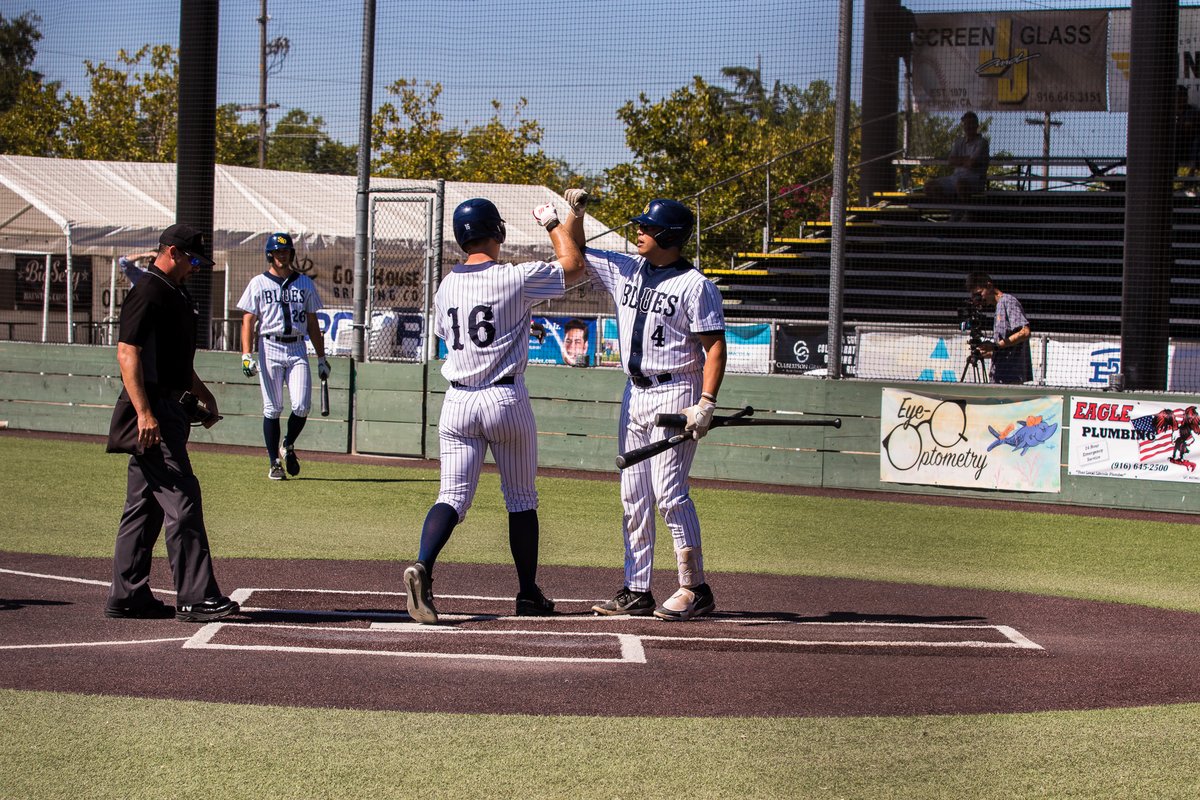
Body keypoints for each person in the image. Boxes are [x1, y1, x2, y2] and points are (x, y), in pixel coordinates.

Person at [402, 197, 585, 624]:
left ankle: (424, 565)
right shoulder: (513, 277)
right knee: (521, 501)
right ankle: (526, 593)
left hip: (458, 399)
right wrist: (554, 222)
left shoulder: (445, 285)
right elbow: (573, 265)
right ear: (496, 231)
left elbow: (447, 334)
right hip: (504, 399)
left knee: (451, 497)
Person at [564, 190, 727, 622]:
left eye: (647, 227)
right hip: (634, 392)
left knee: (670, 494)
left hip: (677, 390)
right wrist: (574, 215)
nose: (638, 231)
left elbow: (714, 348)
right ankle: (637, 590)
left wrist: (706, 403)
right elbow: (575, 250)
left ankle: (695, 588)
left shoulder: (696, 286)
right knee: (633, 496)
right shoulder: (627, 269)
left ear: (669, 235)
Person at [103, 223, 239, 622]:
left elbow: (176, 360)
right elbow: (128, 352)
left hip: (170, 408)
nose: (198, 267)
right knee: (182, 498)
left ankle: (128, 595)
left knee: (144, 505)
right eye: (194, 259)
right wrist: (145, 413)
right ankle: (196, 597)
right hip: (153, 411)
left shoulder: (174, 291)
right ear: (173, 252)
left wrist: (203, 393)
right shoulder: (148, 289)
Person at [237, 232, 330, 480]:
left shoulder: (305, 283)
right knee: (273, 407)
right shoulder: (258, 282)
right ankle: (273, 462)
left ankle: (287, 444)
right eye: (278, 252)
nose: (282, 255)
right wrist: (246, 355)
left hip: (298, 347)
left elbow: (312, 322)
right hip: (269, 345)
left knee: (301, 405)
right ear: (270, 254)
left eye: (286, 251)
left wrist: (321, 357)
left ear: (291, 253)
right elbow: (248, 320)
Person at [967, 271, 1032, 385]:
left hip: (1011, 377)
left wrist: (996, 346)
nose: (979, 298)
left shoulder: (1008, 301)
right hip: (1000, 377)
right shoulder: (997, 308)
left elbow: (1025, 332)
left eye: (979, 293)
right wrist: (988, 351)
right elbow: (1007, 348)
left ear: (989, 286)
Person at [924, 111, 990, 203]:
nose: (968, 126)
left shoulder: (982, 143)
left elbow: (972, 163)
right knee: (929, 186)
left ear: (977, 125)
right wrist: (966, 160)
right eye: (966, 124)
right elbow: (951, 161)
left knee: (961, 185)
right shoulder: (959, 142)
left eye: (971, 123)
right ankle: (955, 210)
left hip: (974, 180)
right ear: (963, 126)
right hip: (955, 178)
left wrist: (960, 160)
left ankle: (967, 213)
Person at [1176, 86, 1200, 180]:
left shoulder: (1192, 111)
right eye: (1177, 96)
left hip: (1188, 146)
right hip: (1174, 147)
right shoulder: (1166, 112)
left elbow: (1189, 129)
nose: (1180, 98)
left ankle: (1191, 171)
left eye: (1182, 96)